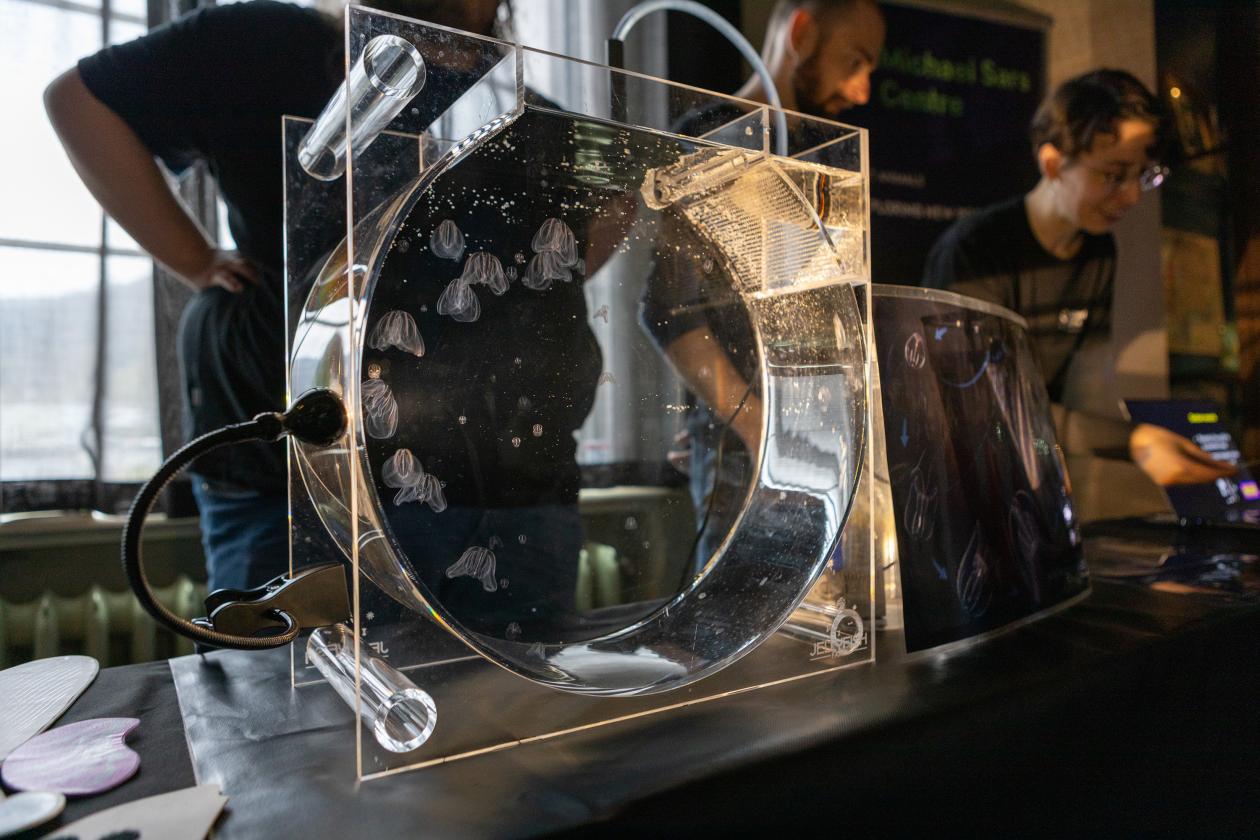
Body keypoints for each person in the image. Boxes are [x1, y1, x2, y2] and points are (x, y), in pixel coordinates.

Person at [44, 0, 505, 593]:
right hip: (283, 433)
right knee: (276, 665)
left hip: (460, 454)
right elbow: (78, 100)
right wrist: (195, 258)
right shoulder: (263, 39)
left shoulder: (501, 82)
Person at [642, 0, 885, 568]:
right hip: (753, 458)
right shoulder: (714, 141)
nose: (862, 91)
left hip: (825, 441)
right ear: (801, 32)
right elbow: (669, 311)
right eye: (855, 62)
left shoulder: (820, 156)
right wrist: (759, 428)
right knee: (745, 624)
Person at [922, 69, 1236, 507]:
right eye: (1113, 175)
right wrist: (1135, 442)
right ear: (1052, 164)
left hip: (1030, 482)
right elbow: (981, 406)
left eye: (1142, 175)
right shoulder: (974, 252)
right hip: (955, 487)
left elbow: (1083, 392)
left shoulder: (1099, 251)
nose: (1130, 197)